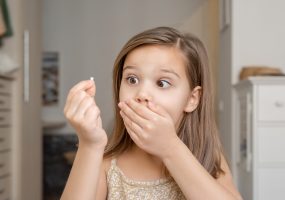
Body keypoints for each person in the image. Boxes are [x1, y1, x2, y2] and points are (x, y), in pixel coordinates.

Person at [61, 27, 242, 200]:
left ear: (192, 99)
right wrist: (90, 145)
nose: (142, 94)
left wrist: (170, 148)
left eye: (162, 83)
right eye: (132, 79)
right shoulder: (106, 165)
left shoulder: (207, 156)